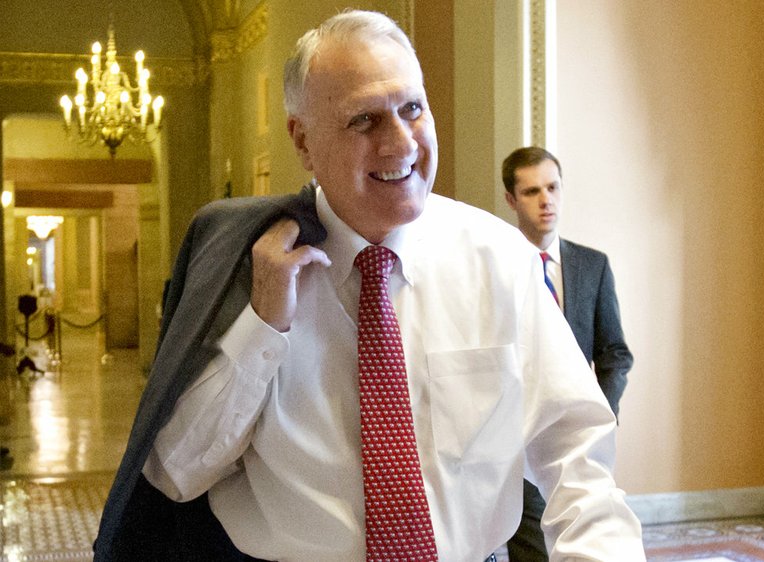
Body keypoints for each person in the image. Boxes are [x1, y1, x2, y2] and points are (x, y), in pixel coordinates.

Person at [93, 10, 645, 562]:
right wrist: (262, 326)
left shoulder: (499, 260)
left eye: (413, 109)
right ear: (302, 139)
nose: (400, 143)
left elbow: (577, 454)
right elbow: (177, 472)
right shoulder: (247, 270)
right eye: (364, 121)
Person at [501, 146, 635, 561]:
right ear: (511, 199)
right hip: (513, 437)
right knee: (531, 550)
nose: (547, 200)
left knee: (584, 535)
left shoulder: (592, 265)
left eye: (553, 187)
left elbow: (614, 353)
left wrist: (598, 416)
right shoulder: (496, 265)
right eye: (532, 191)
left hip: (575, 439)